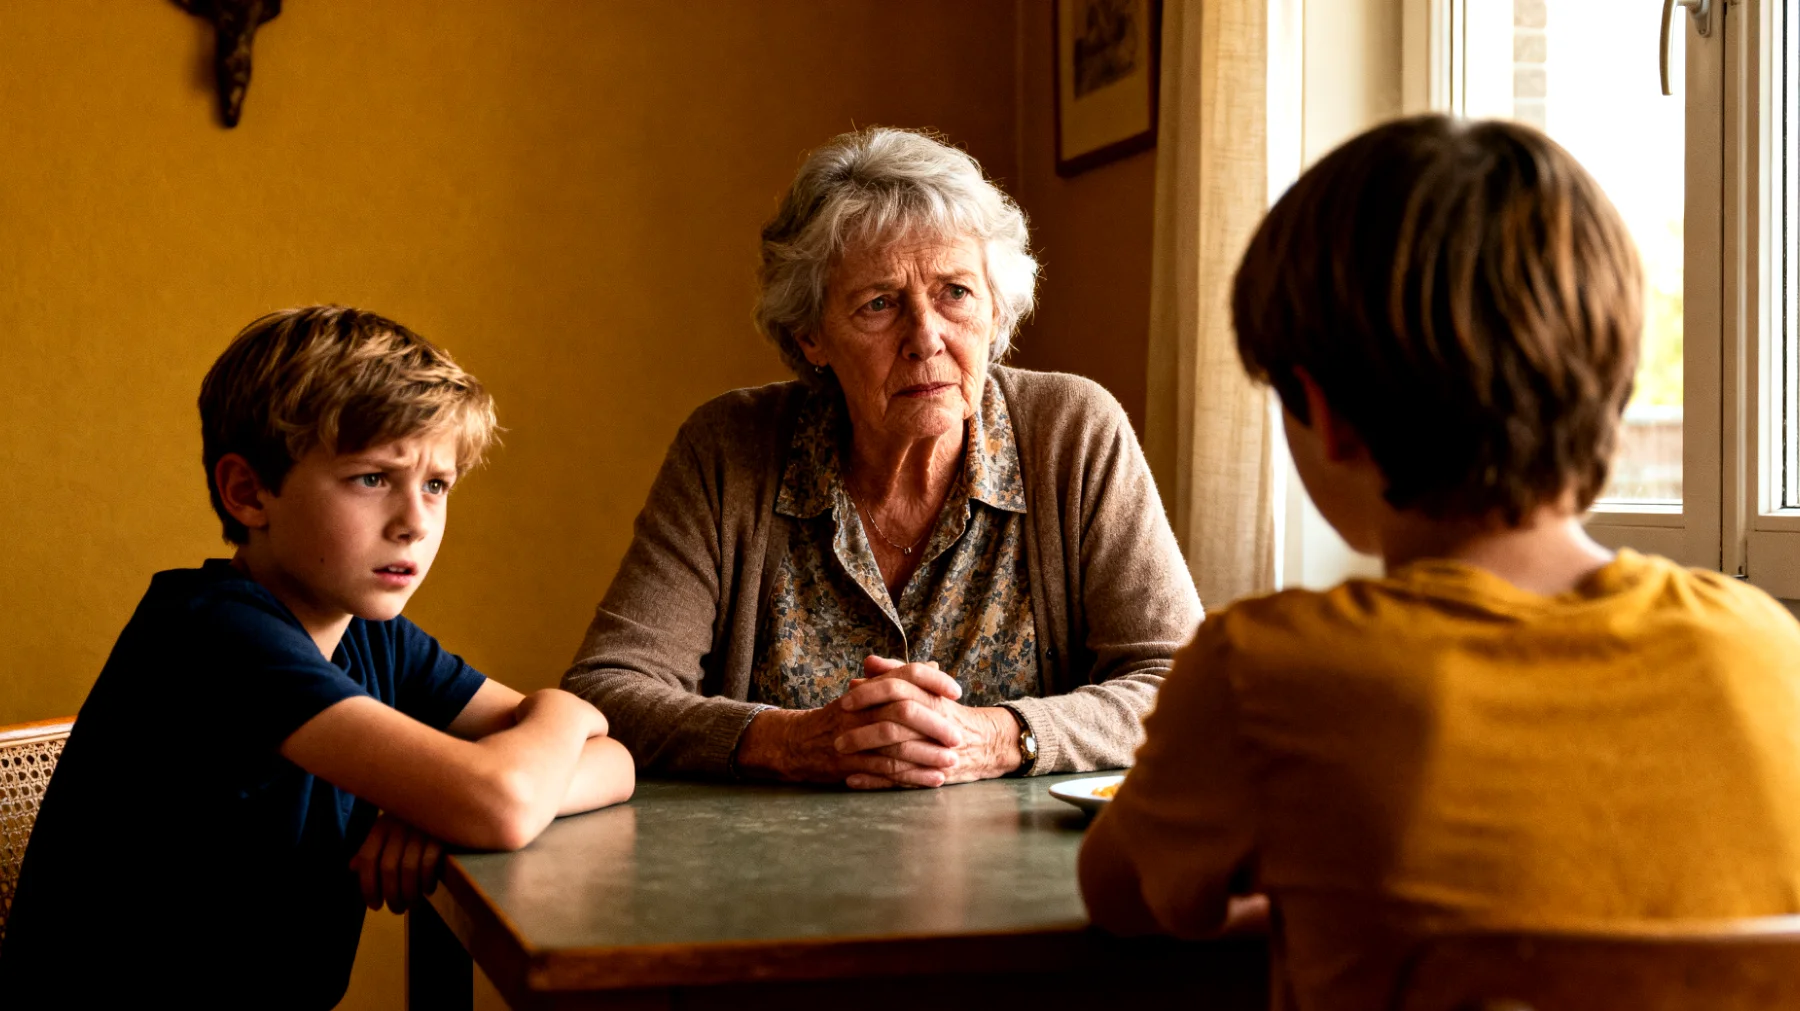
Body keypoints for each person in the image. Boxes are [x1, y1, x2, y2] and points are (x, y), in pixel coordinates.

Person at [1078, 114, 1800, 1011]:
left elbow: (1120, 895)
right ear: (1610, 384)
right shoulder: (1771, 649)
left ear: (1323, 410)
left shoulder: (1264, 671)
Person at [0, 307, 635, 1009]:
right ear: (248, 492)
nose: (415, 521)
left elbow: (614, 762)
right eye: (371, 478)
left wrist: (443, 804)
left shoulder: (371, 634)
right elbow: (505, 800)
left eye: (436, 484)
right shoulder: (213, 635)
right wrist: (562, 715)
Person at [563, 127, 1200, 787]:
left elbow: (1184, 687)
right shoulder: (727, 450)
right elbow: (608, 689)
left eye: (955, 292)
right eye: (879, 304)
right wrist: (790, 740)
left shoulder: (1072, 432)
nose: (926, 337)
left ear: (996, 309)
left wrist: (998, 736)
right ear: (811, 336)